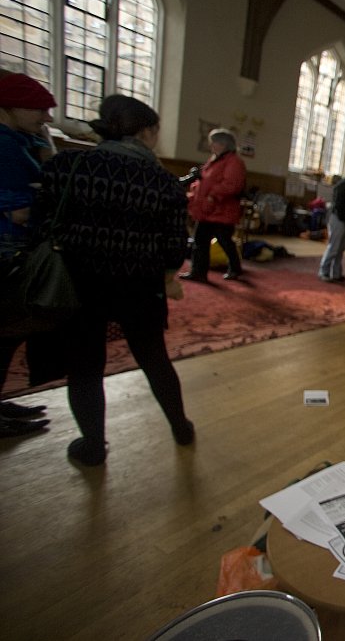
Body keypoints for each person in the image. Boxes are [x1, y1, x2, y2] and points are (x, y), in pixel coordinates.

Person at [37, 94, 193, 466]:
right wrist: (166, 275)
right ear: (147, 132)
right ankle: (180, 426)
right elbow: (175, 248)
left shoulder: (68, 165)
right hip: (138, 285)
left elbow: (44, 223)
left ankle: (93, 444)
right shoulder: (164, 183)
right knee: (154, 359)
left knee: (85, 366)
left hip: (79, 281)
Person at [0, 72, 55, 438]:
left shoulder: (20, 140)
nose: (47, 117)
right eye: (39, 108)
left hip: (17, 246)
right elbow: (18, 210)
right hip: (6, 250)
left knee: (8, 334)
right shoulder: (4, 145)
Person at [180, 128, 246, 282]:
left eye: (214, 143)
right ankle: (198, 272)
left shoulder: (234, 162)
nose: (211, 146)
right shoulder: (215, 160)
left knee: (225, 242)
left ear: (224, 144)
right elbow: (205, 180)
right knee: (200, 242)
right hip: (207, 210)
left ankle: (235, 268)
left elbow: (232, 185)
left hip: (221, 210)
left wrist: (212, 196)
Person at [317, 163, 345, 283]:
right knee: (334, 247)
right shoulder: (341, 187)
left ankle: (336, 273)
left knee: (340, 248)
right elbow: (340, 208)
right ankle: (323, 271)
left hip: (344, 220)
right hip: (338, 219)